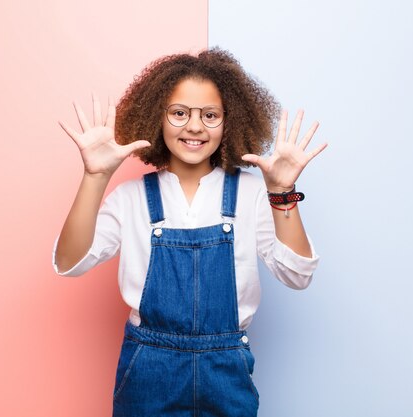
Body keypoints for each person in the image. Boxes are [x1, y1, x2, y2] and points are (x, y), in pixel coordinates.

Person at [52, 48, 327, 417]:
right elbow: (69, 262)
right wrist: (95, 177)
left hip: (225, 371)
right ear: (157, 118)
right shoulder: (131, 198)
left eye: (209, 115)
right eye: (179, 113)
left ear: (229, 122)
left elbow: (297, 275)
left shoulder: (251, 194)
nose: (195, 126)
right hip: (149, 371)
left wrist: (280, 192)